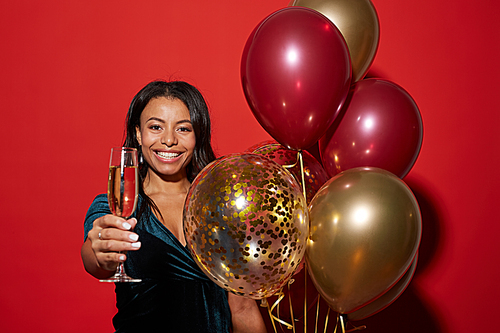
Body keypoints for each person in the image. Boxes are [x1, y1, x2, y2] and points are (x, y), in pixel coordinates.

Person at [81, 80, 267, 333]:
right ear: (138, 133)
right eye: (156, 127)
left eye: (183, 129)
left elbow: (242, 309)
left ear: (197, 135)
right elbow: (94, 259)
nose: (168, 140)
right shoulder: (112, 205)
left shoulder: (220, 207)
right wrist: (101, 251)